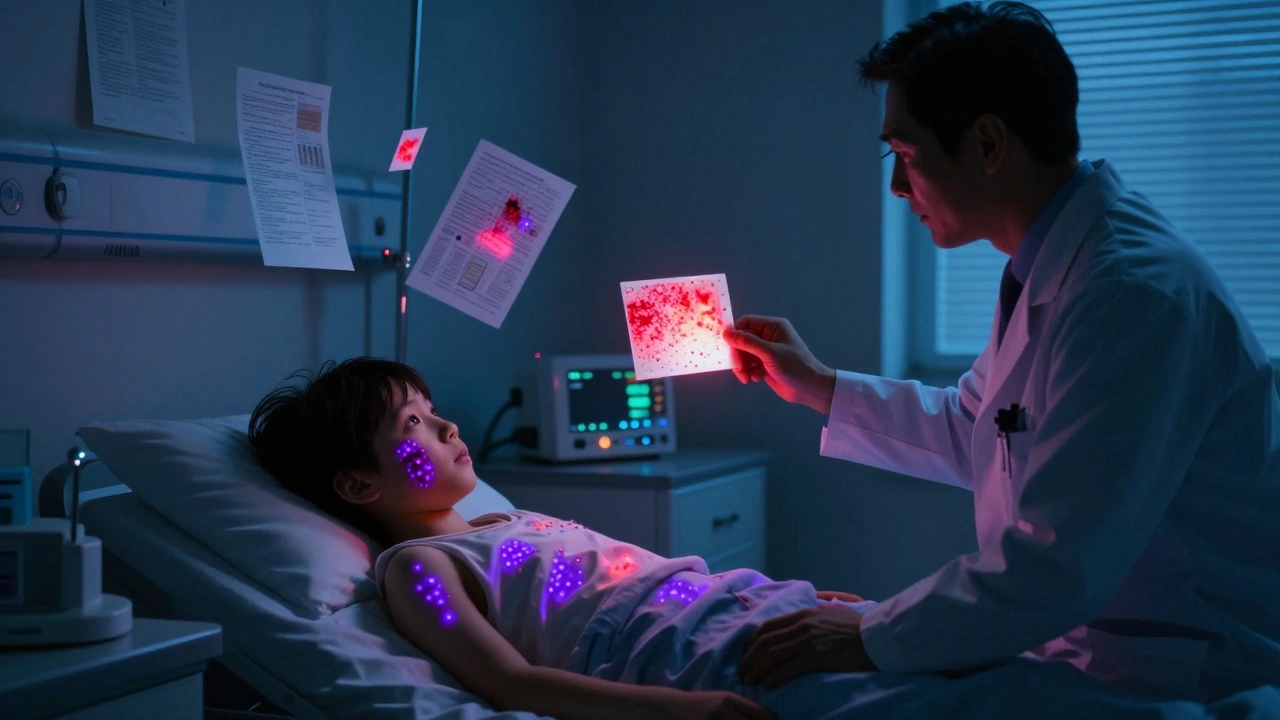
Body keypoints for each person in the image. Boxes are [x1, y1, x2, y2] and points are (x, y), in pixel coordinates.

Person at [724, 0, 1280, 704]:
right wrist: (819, 386)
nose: (897, 188)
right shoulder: (1052, 265)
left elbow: (1057, 566)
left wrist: (867, 632)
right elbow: (978, 427)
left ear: (988, 144)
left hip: (1177, 674)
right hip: (1093, 644)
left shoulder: (1131, 295)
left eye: (905, 156)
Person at [249, 357, 893, 720]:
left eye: (432, 406)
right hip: (674, 651)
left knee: (950, 648)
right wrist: (679, 711)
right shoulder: (419, 570)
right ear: (361, 487)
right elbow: (513, 684)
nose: (446, 427)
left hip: (733, 603)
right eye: (412, 422)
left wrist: (768, 600)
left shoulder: (508, 520)